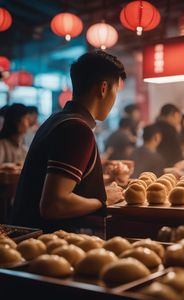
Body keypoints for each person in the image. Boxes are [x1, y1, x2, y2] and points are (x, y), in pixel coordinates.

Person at [12, 51, 126, 232]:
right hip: (48, 246)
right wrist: (102, 201)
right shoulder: (77, 129)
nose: (114, 100)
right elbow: (54, 204)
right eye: (116, 91)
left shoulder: (57, 119)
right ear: (103, 88)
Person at [156, 103, 183, 168]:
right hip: (169, 168)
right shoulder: (170, 129)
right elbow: (177, 152)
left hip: (154, 167)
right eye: (179, 117)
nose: (179, 120)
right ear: (175, 115)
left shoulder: (153, 127)